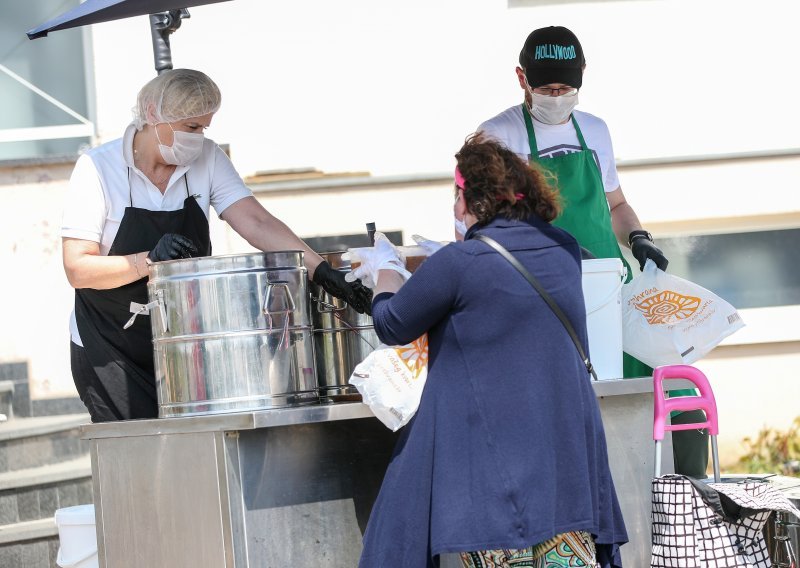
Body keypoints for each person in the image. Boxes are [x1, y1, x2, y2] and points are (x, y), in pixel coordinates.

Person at [351, 134, 627, 568]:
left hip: (495, 475)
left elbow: (391, 323)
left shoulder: (461, 264)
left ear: (469, 200)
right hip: (565, 465)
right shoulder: (564, 250)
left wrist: (386, 270)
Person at [61, 68, 371, 423]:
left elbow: (258, 222)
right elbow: (78, 268)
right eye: (191, 128)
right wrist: (148, 261)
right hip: (109, 347)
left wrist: (322, 272)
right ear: (151, 114)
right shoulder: (98, 169)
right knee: (140, 461)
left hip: (183, 341)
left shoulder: (207, 159)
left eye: (205, 127)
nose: (199, 137)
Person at [478, 26, 707, 478]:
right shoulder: (497, 136)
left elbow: (616, 204)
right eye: (546, 87)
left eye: (567, 87)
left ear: (582, 75)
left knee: (667, 389)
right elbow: (487, 227)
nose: (557, 96)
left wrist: (638, 238)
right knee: (572, 408)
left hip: (608, 291)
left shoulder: (596, 131)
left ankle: (678, 498)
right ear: (521, 78)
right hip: (545, 299)